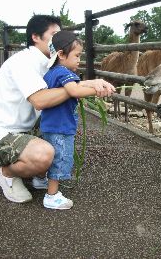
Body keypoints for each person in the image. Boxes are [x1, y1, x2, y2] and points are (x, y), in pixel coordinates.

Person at [0, 15, 115, 203]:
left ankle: (38, 174)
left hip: (26, 130)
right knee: (45, 154)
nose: (57, 39)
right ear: (36, 37)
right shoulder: (23, 62)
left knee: (59, 138)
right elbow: (40, 100)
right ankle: (6, 174)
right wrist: (81, 89)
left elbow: (68, 86)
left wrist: (94, 83)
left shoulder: (49, 63)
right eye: (53, 34)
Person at [39, 30, 105, 210]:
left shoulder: (52, 72)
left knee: (55, 157)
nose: (79, 60)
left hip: (51, 125)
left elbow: (75, 87)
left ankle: (43, 182)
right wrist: (97, 90)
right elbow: (75, 91)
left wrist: (91, 84)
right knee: (61, 159)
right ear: (61, 54)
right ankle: (51, 196)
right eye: (76, 55)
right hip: (61, 127)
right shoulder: (64, 73)